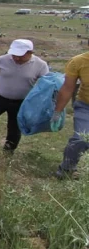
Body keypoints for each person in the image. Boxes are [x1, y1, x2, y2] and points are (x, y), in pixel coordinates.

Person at [0, 39, 48, 153]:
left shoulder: (41, 65)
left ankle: (8, 151)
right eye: (14, 55)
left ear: (30, 52)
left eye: (20, 55)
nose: (16, 58)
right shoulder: (2, 60)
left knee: (14, 129)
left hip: (21, 102)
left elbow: (46, 85)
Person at [50, 51, 89, 180]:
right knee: (81, 139)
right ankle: (67, 168)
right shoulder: (78, 61)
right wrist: (57, 111)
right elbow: (67, 88)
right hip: (85, 107)